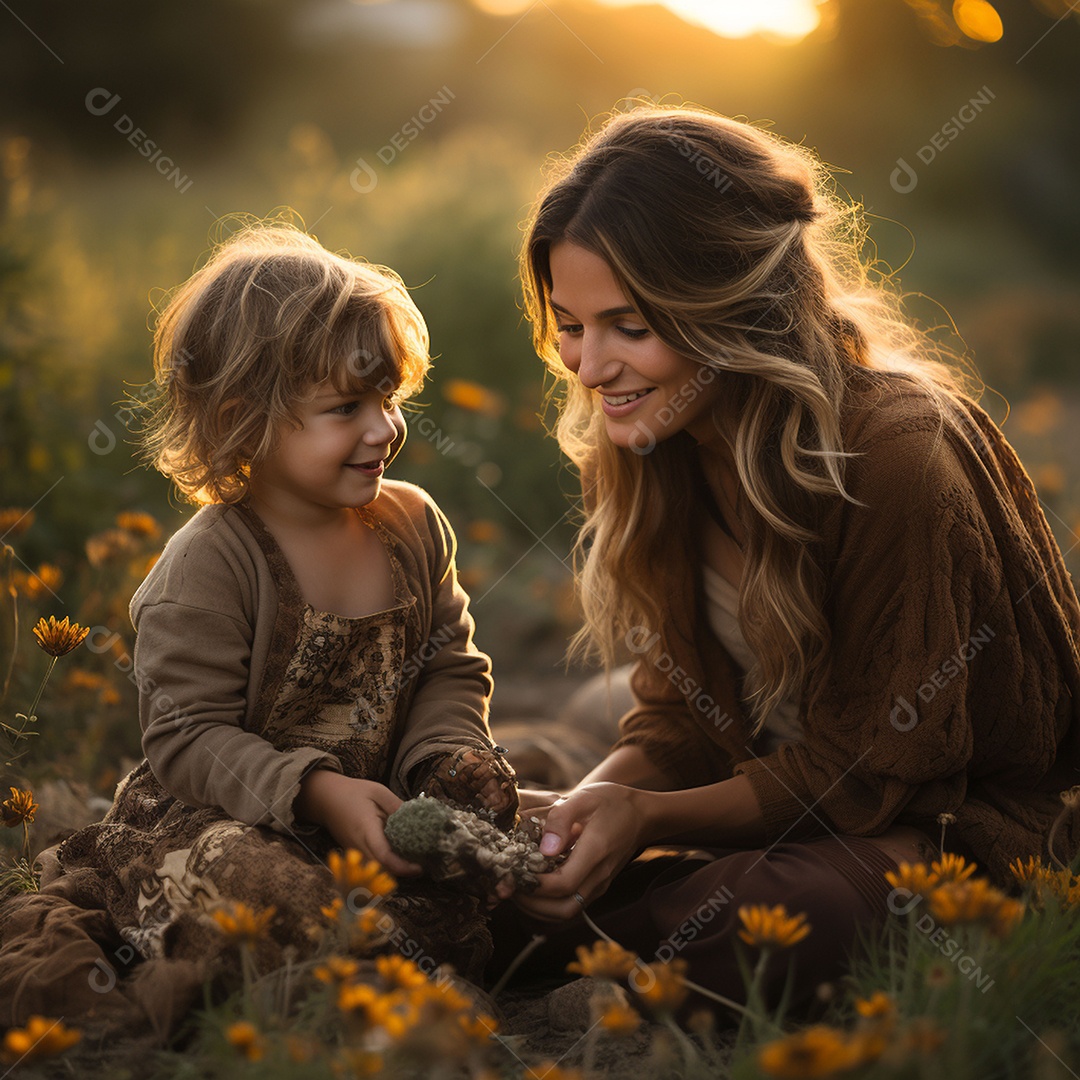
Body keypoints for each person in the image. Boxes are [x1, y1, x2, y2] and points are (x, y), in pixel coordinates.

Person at [497, 105, 1080, 1012]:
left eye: (628, 324)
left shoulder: (896, 455)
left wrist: (644, 819)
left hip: (942, 823)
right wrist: (585, 808)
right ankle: (590, 930)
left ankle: (605, 943)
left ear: (727, 303)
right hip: (772, 802)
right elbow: (678, 728)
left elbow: (873, 770)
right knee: (508, 872)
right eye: (571, 326)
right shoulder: (647, 446)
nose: (590, 366)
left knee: (765, 918)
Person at [0, 222, 516, 1033]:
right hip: (219, 814)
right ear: (246, 419)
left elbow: (448, 666)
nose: (383, 429)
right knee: (256, 882)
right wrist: (315, 790)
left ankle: (384, 956)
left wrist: (446, 759)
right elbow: (185, 737)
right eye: (346, 408)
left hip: (372, 807)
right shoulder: (209, 566)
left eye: (388, 398)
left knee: (497, 837)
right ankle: (349, 984)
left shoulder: (412, 526)